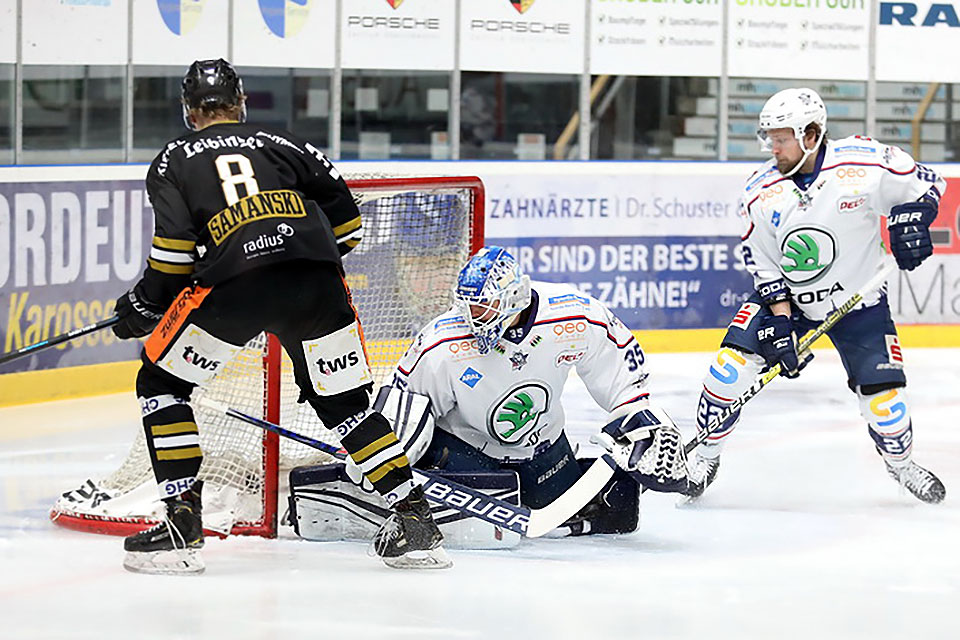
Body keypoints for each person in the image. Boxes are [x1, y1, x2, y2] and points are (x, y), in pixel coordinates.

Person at [112, 59, 449, 573]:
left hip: (237, 288)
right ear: (241, 102)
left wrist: (142, 307)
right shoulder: (284, 141)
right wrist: (296, 257)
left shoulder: (172, 160)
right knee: (348, 408)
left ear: (188, 111)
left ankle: (183, 524)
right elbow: (350, 226)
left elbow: (174, 259)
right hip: (316, 283)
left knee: (161, 385)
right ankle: (415, 518)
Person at [687, 87, 946, 504]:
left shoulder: (862, 164)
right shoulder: (760, 191)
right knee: (727, 373)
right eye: (769, 137)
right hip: (791, 299)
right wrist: (781, 322)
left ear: (811, 135)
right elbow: (765, 264)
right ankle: (705, 455)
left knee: (888, 409)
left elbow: (928, 185)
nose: (773, 147)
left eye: (782, 137)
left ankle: (901, 465)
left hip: (859, 305)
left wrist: (912, 217)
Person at [381, 246, 688, 537]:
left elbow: (618, 364)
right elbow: (404, 404)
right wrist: (384, 463)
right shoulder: (442, 343)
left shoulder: (573, 315)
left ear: (514, 297)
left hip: (543, 451)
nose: (473, 317)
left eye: (483, 308)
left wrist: (638, 419)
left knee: (612, 511)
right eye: (468, 306)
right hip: (465, 454)